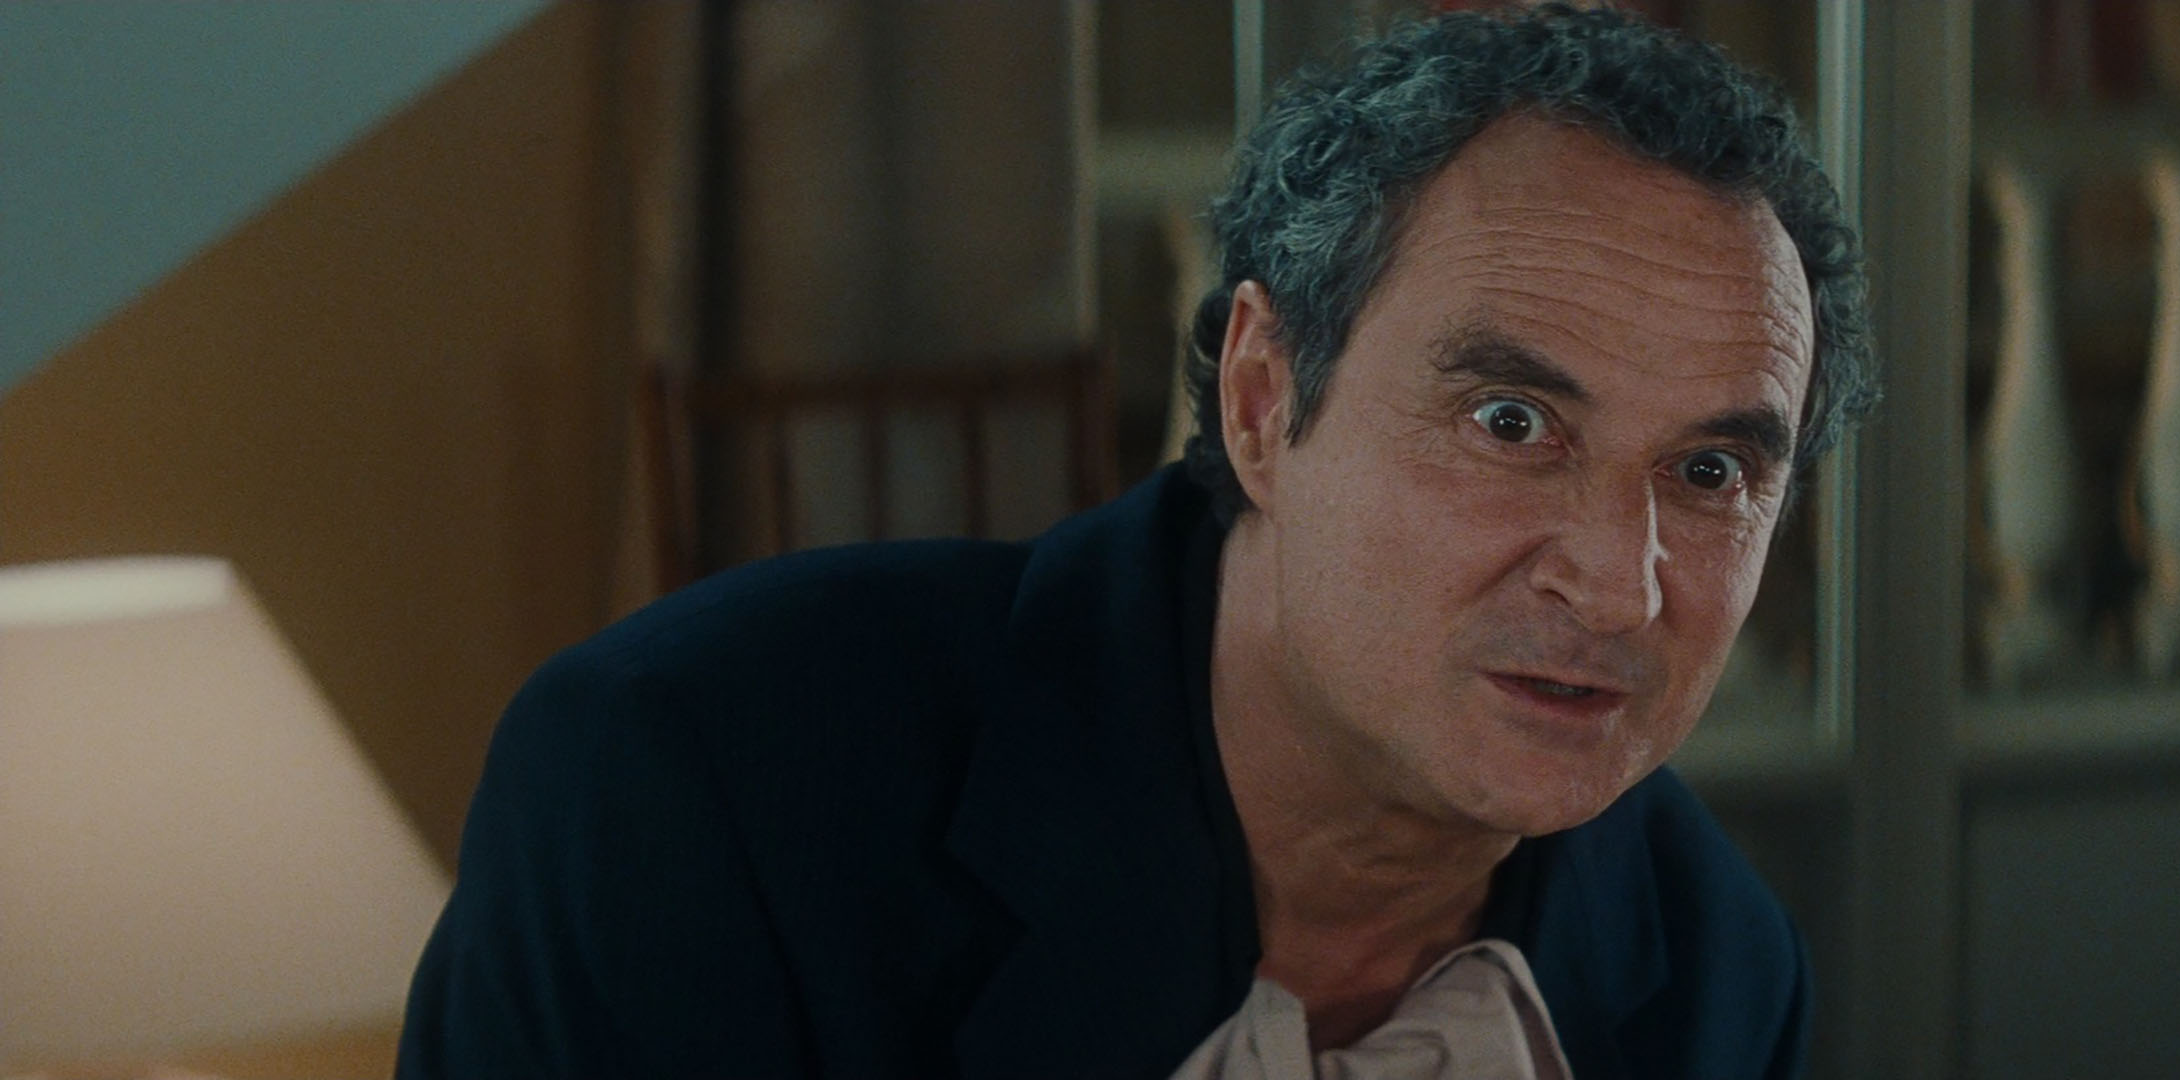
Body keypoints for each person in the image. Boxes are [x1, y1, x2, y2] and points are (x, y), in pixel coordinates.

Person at [397, 5, 1876, 1078]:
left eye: (1707, 470)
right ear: (1260, 400)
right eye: (1510, 423)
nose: (1616, 584)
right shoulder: (689, 792)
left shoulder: (1715, 969)